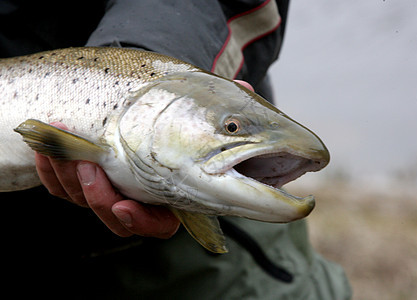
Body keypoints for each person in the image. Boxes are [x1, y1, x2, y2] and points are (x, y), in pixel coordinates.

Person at [1, 0, 351, 298]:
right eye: (231, 128)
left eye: (230, 128)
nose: (231, 130)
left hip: (185, 251)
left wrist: (157, 51)